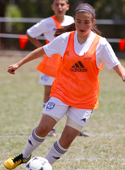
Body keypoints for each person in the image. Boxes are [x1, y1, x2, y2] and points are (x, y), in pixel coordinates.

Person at [4, 3, 125, 170]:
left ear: (93, 22)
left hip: (85, 99)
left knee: (66, 139)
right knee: (44, 127)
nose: (82, 26)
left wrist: (124, 75)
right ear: (74, 21)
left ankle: (43, 167)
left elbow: (116, 64)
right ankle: (24, 156)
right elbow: (43, 51)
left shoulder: (101, 44)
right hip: (61, 92)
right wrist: (19, 63)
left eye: (86, 22)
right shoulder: (65, 38)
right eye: (79, 21)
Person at [26, 0, 89, 137]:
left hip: (68, 62)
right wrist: (41, 49)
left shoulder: (72, 20)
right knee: (49, 93)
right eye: (57, 4)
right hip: (51, 61)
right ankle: (48, 128)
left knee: (73, 92)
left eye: (62, 4)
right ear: (52, 7)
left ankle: (74, 127)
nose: (59, 7)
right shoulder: (47, 22)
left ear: (67, 6)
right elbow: (30, 33)